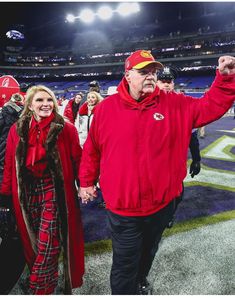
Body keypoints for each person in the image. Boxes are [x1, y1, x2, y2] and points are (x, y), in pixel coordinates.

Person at [79, 49, 235, 295]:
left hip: (163, 204)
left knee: (149, 250)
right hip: (124, 208)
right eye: (144, 72)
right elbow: (92, 150)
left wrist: (225, 79)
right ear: (128, 75)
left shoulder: (176, 104)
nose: (151, 76)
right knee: (124, 263)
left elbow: (210, 106)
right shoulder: (106, 109)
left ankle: (141, 281)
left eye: (153, 72)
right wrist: (87, 181)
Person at [0, 85, 84, 294]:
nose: (45, 104)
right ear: (29, 104)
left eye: (49, 100)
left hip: (54, 191)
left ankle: (39, 288)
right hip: (27, 194)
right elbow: (10, 163)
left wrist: (85, 184)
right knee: (35, 241)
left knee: (48, 241)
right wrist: (5, 195)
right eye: (39, 100)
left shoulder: (66, 128)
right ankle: (46, 277)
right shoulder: (17, 129)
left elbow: (78, 160)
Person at [157, 67, 201, 228]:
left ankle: (169, 215)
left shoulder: (183, 105)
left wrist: (196, 159)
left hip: (174, 163)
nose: (166, 84)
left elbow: (192, 137)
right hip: (151, 162)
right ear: (156, 82)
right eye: (163, 81)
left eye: (169, 81)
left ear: (174, 83)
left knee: (177, 193)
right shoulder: (145, 103)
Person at [0, 93, 24, 185]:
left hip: (4, 144)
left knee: (3, 168)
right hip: (19, 144)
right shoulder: (25, 113)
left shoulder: (4, 112)